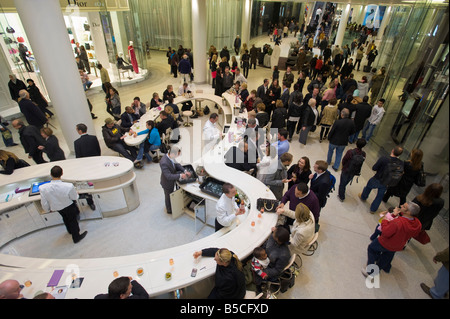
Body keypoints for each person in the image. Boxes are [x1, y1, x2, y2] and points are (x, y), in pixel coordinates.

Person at [363, 201, 421, 276]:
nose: (401, 205)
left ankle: (370, 271)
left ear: (408, 212)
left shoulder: (398, 222)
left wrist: (385, 220)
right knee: (387, 256)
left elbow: (386, 232)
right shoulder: (417, 224)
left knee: (371, 249)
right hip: (398, 245)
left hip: (386, 242)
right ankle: (379, 268)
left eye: (404, 207)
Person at [40, 165, 88, 243]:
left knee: (65, 218)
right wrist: (77, 194)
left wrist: (47, 209)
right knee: (73, 221)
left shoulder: (43, 188)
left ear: (51, 174)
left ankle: (70, 231)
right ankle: (76, 237)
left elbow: (44, 202)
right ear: (62, 174)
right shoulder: (68, 186)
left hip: (57, 207)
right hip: (68, 206)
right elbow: (74, 197)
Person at [359, 146, 404, 213]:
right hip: (386, 182)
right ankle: (373, 209)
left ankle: (363, 197)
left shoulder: (384, 159)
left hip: (377, 178)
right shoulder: (401, 163)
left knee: (368, 187)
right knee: (379, 196)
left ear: (392, 150)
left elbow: (374, 168)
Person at [159, 145, 190, 215]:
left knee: (171, 194)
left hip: (172, 179)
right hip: (167, 183)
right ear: (173, 154)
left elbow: (177, 165)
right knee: (168, 196)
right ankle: (169, 210)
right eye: (177, 155)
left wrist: (185, 171)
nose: (177, 157)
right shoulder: (164, 162)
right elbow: (168, 176)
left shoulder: (171, 157)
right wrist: (181, 175)